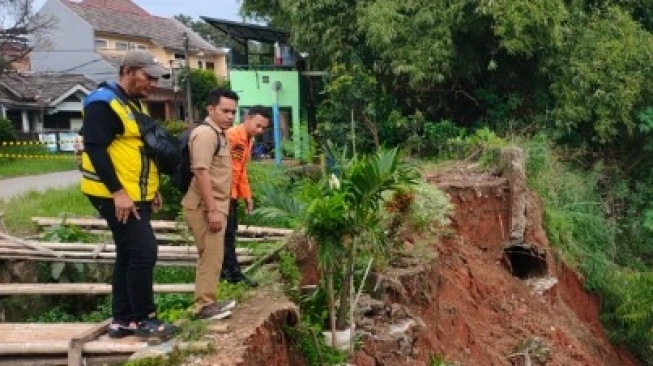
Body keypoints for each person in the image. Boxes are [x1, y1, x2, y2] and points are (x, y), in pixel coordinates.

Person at [79, 49, 175, 339]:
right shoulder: (103, 103)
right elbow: (95, 148)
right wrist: (118, 193)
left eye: (156, 78)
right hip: (115, 195)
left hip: (136, 193)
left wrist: (151, 189)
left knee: (129, 253)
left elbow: (138, 151)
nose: (152, 83)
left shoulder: (132, 104)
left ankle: (122, 320)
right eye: (148, 77)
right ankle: (145, 319)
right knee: (144, 251)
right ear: (128, 70)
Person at [182, 88, 239, 320]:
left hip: (215, 205)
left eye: (233, 112)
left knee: (213, 255)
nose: (229, 116)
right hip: (205, 207)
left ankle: (209, 301)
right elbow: (201, 172)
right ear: (211, 109)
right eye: (225, 111)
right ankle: (204, 305)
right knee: (210, 255)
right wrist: (213, 209)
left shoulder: (220, 134)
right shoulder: (206, 135)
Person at [221, 106, 271, 287]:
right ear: (248, 118)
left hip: (231, 194)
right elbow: (225, 168)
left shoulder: (248, 140)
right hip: (222, 194)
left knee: (229, 233)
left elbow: (241, 171)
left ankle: (230, 273)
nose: (260, 131)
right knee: (225, 235)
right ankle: (230, 274)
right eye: (258, 125)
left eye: (263, 128)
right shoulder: (232, 136)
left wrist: (247, 196)